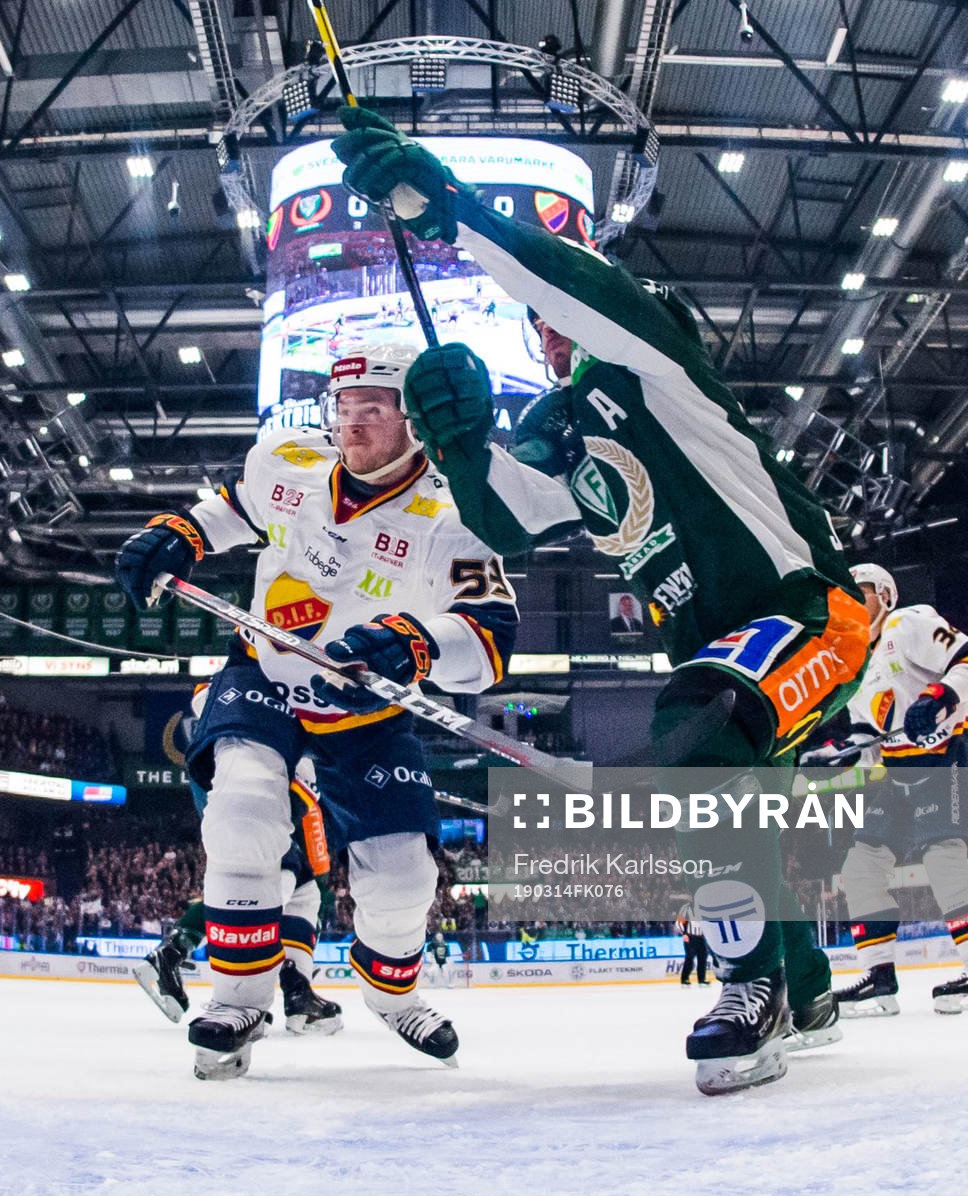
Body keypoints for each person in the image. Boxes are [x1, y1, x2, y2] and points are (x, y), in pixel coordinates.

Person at [333, 109, 864, 1095]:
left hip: (806, 614)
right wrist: (456, 439)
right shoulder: (564, 425)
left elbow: (572, 279)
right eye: (539, 329)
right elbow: (506, 517)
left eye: (559, 317)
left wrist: (444, 206)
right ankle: (805, 983)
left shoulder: (656, 366)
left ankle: (750, 984)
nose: (547, 330)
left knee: (697, 729)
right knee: (739, 790)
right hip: (730, 651)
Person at [115, 344, 518, 1080]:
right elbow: (238, 506)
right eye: (343, 408)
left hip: (363, 712)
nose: (351, 426)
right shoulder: (288, 460)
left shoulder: (457, 516)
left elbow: (492, 642)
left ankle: (392, 994)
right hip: (263, 672)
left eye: (372, 411)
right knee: (241, 807)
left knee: (402, 882)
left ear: (414, 423)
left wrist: (417, 643)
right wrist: (183, 532)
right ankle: (238, 997)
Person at [815, 564, 968, 1017]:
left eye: (859, 593)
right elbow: (868, 739)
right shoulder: (853, 661)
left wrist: (938, 696)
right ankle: (879, 982)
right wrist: (837, 754)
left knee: (943, 858)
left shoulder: (910, 622)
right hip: (897, 777)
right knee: (860, 869)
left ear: (884, 595)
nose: (852, 603)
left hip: (944, 761)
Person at [137, 705, 342, 1035]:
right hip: (246, 775)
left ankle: (296, 987)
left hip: (227, 770)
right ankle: (173, 954)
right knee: (273, 869)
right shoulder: (280, 685)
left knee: (301, 886)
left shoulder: (237, 686)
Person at [676, 904, 710, 986]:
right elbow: (679, 922)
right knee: (689, 958)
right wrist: (684, 933)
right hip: (690, 937)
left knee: (703, 958)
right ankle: (685, 979)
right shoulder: (686, 908)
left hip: (701, 937)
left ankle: (701, 979)